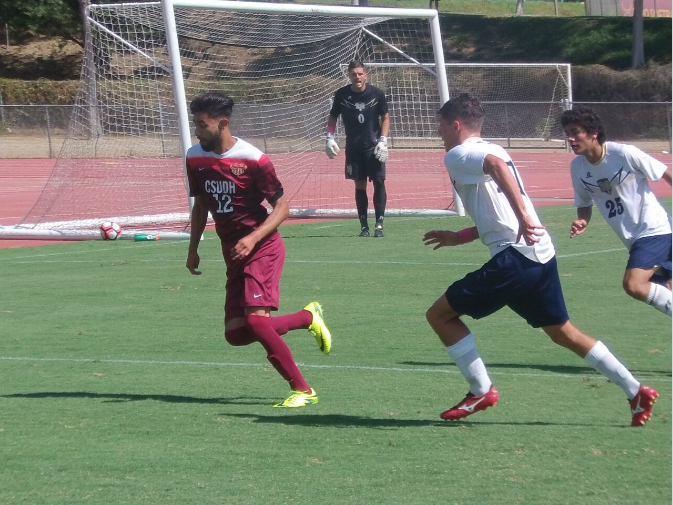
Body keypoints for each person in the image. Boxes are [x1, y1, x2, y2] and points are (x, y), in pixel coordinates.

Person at [423, 93, 658, 426]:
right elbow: (498, 207)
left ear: (456, 125)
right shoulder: (493, 147)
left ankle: (481, 390)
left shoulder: (459, 154)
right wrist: (461, 236)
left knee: (440, 316)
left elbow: (496, 170)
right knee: (563, 333)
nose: (440, 134)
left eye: (442, 127)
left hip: (515, 258)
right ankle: (635, 391)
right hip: (539, 254)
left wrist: (522, 217)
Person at [185, 92, 332, 408]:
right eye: (195, 124)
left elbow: (282, 207)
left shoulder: (253, 158)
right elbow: (200, 206)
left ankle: (303, 390)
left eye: (202, 124)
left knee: (254, 322)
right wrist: (192, 247)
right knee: (236, 333)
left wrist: (253, 238)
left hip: (262, 247)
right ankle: (306, 317)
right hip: (232, 251)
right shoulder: (194, 157)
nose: (197, 131)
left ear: (222, 123)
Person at [560, 106, 672, 317]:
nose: (570, 138)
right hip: (634, 240)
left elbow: (665, 173)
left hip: (654, 229)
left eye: (575, 132)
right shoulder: (577, 167)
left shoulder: (623, 153)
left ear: (594, 132)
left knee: (634, 284)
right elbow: (584, 202)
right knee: (666, 289)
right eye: (568, 134)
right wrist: (582, 221)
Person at [325, 60, 390, 237]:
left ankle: (379, 224)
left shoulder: (377, 93)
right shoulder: (342, 94)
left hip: (374, 147)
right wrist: (329, 137)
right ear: (349, 75)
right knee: (359, 185)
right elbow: (333, 117)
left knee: (378, 182)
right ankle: (364, 227)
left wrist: (383, 140)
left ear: (365, 75)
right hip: (354, 149)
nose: (357, 77)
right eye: (354, 74)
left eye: (360, 74)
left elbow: (385, 117)